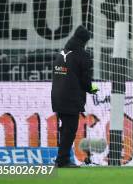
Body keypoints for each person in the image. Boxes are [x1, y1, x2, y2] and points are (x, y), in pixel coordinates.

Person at [51, 25, 98, 168]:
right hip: (71, 98)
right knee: (69, 130)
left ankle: (61, 158)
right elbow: (85, 80)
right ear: (84, 41)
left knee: (65, 128)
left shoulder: (62, 53)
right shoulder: (82, 55)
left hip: (57, 96)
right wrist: (91, 89)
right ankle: (62, 160)